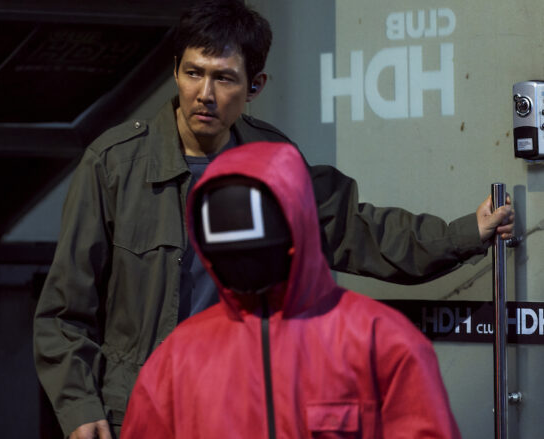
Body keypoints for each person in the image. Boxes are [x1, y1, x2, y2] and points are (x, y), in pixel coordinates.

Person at [33, 1, 513, 438]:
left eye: (224, 78)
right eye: (193, 73)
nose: (204, 94)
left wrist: (464, 233)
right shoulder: (114, 164)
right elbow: (63, 310)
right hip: (146, 408)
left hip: (251, 401)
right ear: (175, 70)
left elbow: (355, 229)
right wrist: (80, 407)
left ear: (255, 86)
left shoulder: (273, 159)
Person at [119, 141, 462, 439]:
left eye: (254, 246)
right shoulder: (178, 358)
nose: (242, 260)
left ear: (297, 222)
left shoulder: (381, 342)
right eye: (227, 250)